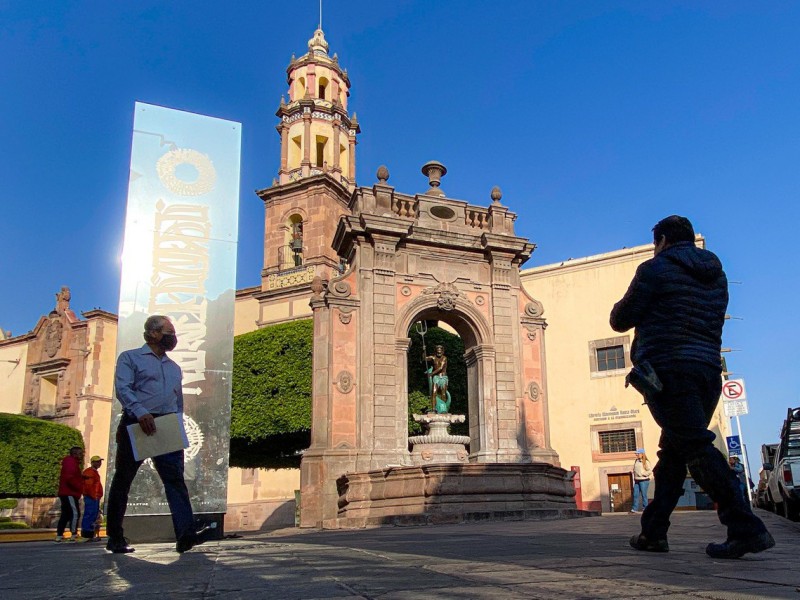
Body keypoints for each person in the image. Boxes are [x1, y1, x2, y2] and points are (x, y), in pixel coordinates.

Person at [611, 215, 774, 559]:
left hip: (669, 371)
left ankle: (746, 528)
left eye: (656, 244)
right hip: (707, 372)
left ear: (663, 241)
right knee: (673, 454)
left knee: (697, 448)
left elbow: (620, 319)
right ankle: (653, 532)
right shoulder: (717, 276)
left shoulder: (654, 270)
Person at [105, 315, 203, 554]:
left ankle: (185, 534)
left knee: (175, 480)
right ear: (153, 333)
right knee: (123, 480)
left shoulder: (174, 368)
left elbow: (177, 401)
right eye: (169, 331)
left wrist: (176, 425)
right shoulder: (130, 358)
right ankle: (115, 537)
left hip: (166, 424)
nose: (173, 336)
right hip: (137, 423)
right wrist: (140, 412)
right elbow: (124, 388)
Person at [56, 446, 84, 542]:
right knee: (75, 513)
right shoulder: (71, 462)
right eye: (80, 453)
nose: (81, 455)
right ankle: (74, 534)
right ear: (75, 454)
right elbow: (70, 478)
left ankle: (59, 535)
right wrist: (79, 487)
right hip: (69, 492)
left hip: (67, 492)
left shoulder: (70, 462)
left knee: (66, 514)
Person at [80, 455, 103, 540]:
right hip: (92, 497)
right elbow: (89, 486)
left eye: (100, 461)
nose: (99, 463)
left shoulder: (93, 472)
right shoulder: (89, 472)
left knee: (92, 515)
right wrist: (93, 496)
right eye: (97, 462)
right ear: (92, 462)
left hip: (94, 496)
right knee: (90, 514)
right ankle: (87, 533)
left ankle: (89, 533)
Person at [425, 345, 450, 413]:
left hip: (443, 378)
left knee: (443, 393)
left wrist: (431, 374)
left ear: (442, 351)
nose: (439, 353)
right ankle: (433, 409)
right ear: (435, 352)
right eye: (438, 352)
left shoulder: (444, 358)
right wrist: (423, 351)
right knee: (433, 393)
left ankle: (443, 409)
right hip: (436, 378)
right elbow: (424, 358)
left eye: (440, 352)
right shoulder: (433, 357)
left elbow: (441, 368)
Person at [631, 449, 652, 513]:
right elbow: (635, 469)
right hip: (637, 480)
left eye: (638, 453)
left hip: (644, 480)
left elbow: (649, 471)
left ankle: (645, 508)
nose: (636, 455)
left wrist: (642, 474)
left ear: (642, 454)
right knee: (635, 494)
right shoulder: (636, 461)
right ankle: (634, 509)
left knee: (644, 494)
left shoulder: (645, 462)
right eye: (636, 453)